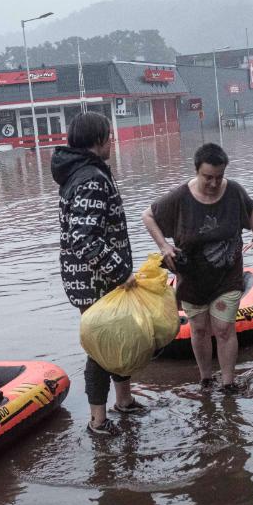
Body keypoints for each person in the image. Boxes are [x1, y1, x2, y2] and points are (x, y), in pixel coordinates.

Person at [142, 143, 253, 393]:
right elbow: (148, 216)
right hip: (192, 277)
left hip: (227, 276)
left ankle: (229, 383)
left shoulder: (233, 191)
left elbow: (252, 210)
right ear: (197, 171)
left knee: (224, 329)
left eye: (219, 177)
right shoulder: (180, 197)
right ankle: (206, 379)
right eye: (208, 177)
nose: (213, 183)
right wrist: (164, 246)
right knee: (199, 329)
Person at [51, 111, 144, 437]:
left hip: (89, 279)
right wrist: (121, 272)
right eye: (109, 135)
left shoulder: (80, 172)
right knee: (101, 347)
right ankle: (98, 421)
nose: (112, 141)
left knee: (116, 340)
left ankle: (124, 401)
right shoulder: (91, 178)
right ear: (98, 139)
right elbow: (84, 239)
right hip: (96, 282)